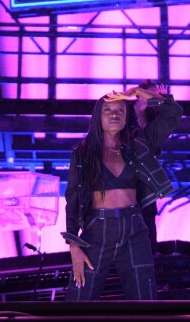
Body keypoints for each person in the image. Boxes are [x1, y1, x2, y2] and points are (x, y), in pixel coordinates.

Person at [62, 85, 182, 301]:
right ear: (97, 116)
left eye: (120, 110)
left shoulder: (139, 144)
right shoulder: (82, 153)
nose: (114, 114)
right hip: (96, 231)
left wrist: (137, 92)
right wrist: (74, 245)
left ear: (128, 115)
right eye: (107, 110)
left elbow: (173, 112)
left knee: (145, 299)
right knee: (79, 299)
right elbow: (73, 198)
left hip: (134, 228)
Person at [131, 80, 168, 255]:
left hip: (146, 171)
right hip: (126, 169)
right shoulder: (125, 111)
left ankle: (152, 250)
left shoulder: (154, 116)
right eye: (151, 92)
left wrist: (166, 100)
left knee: (148, 210)